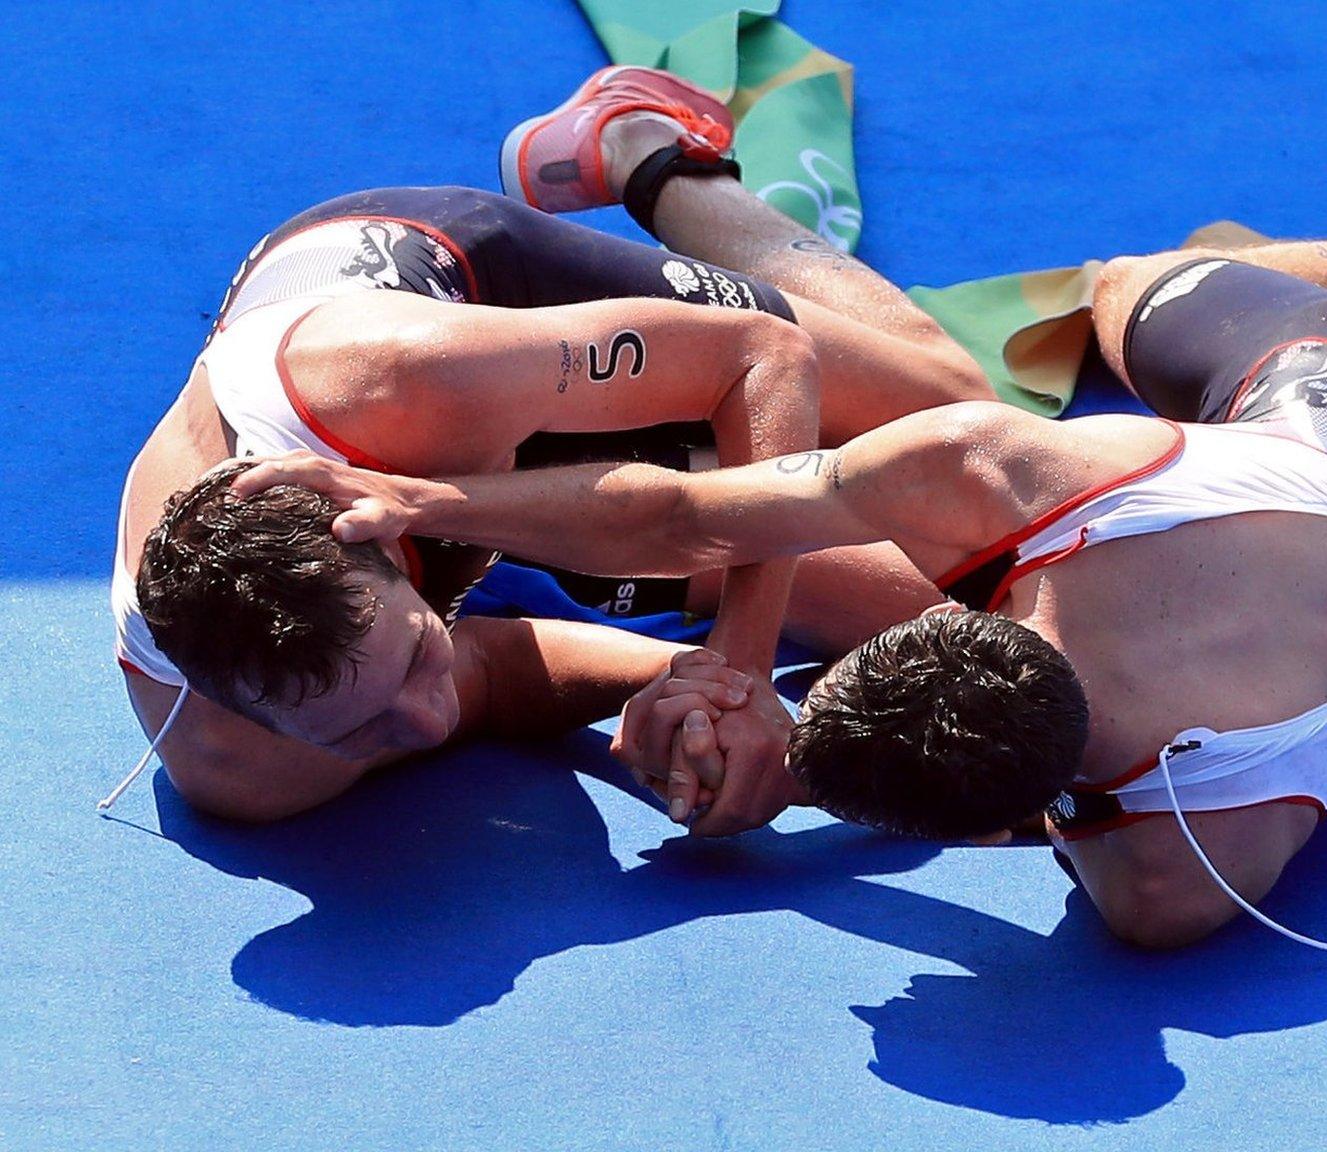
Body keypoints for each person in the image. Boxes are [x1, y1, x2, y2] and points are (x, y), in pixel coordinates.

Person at [237, 200, 1327, 947]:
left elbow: (695, 519)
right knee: (1143, 291)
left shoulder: (1168, 873)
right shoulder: (1161, 869)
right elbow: (697, 525)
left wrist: (759, 723)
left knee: (1041, 337)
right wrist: (435, 497)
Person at [116, 66, 988, 825]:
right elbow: (487, 676)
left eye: (422, 656)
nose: (424, 724)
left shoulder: (413, 382)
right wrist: (685, 690)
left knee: (958, 412)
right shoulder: (238, 764)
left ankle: (641, 151)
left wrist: (744, 670)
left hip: (469, 304)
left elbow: (761, 358)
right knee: (967, 606)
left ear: (382, 535)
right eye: (359, 730)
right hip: (461, 487)